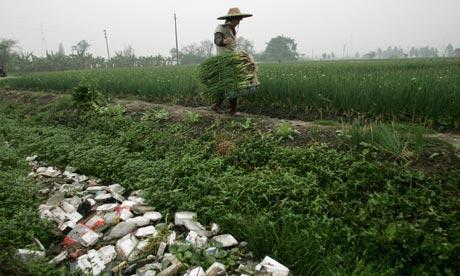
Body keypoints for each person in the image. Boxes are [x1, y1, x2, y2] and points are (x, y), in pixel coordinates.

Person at [212, 7, 253, 114]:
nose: (238, 22)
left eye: (239, 20)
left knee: (229, 84)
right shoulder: (220, 28)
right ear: (231, 20)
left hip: (232, 60)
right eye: (237, 20)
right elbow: (217, 41)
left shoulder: (232, 30)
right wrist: (225, 41)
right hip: (223, 61)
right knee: (231, 84)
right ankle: (230, 109)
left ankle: (219, 106)